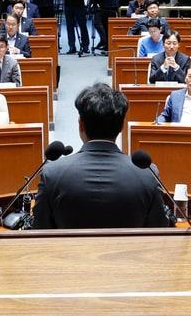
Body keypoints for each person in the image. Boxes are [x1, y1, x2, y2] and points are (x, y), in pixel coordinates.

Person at [32, 83, 170, 229]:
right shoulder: (147, 173)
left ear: (81, 125)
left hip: (68, 252)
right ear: (122, 126)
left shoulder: (52, 172)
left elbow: (39, 230)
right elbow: (159, 229)